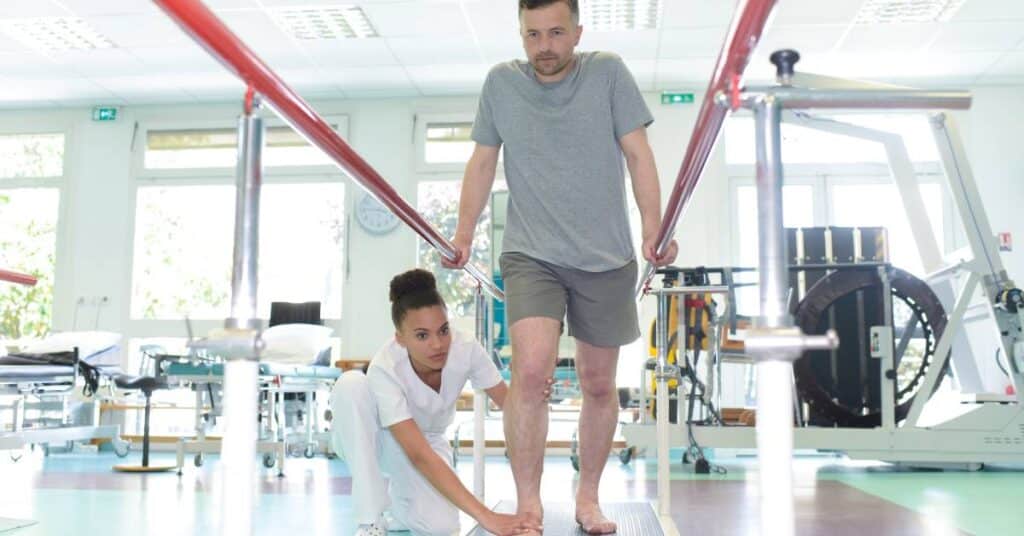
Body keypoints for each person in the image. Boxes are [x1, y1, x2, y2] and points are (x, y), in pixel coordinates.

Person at [442, 0, 678, 533]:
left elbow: (639, 155)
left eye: (555, 33)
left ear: (577, 31)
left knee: (598, 383)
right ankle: (528, 503)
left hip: (606, 256)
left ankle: (588, 498)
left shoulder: (608, 73)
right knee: (531, 374)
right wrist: (462, 235)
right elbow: (482, 162)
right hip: (532, 253)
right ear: (520, 34)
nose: (544, 47)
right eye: (532, 35)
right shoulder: (501, 84)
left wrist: (652, 231)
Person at [330, 269, 548, 536]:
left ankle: (399, 507)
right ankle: (369, 518)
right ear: (401, 338)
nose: (437, 345)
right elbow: (418, 455)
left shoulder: (465, 347)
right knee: (351, 385)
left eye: (443, 330)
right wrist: (487, 517)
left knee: (442, 528)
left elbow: (510, 405)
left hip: (429, 441)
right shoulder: (385, 366)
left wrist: (529, 394)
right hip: (378, 439)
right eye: (422, 335)